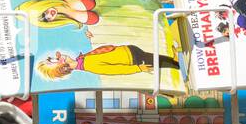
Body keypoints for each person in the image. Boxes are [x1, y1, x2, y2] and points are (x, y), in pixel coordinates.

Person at [37, 43, 179, 81]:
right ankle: (176, 64)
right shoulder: (88, 65)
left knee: (156, 58)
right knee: (157, 61)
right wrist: (138, 69)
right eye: (53, 60)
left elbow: (103, 51)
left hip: (128, 52)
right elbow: (115, 70)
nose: (58, 55)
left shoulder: (83, 59)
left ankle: (173, 61)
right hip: (132, 59)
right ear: (62, 66)